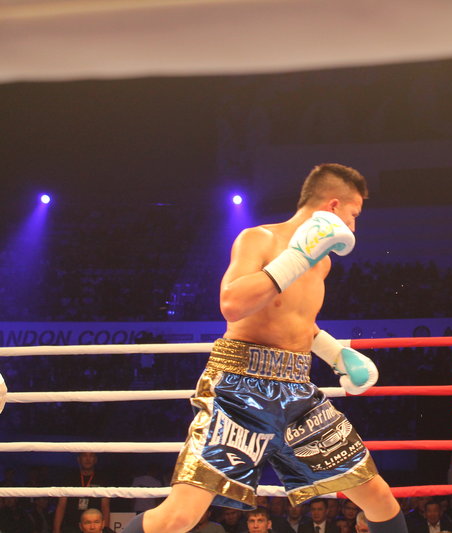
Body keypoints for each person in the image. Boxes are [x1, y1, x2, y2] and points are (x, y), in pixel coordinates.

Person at [124, 163, 406, 533]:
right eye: (353, 215)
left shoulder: (322, 263)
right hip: (239, 388)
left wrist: (337, 355)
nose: (353, 228)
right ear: (334, 206)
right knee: (178, 517)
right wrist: (297, 257)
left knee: (379, 497)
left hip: (298, 392)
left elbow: (298, 322)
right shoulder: (258, 239)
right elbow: (232, 304)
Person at [53, 452, 111, 533]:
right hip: (71, 526)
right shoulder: (69, 478)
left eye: (91, 456)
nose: (88, 459)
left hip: (93, 526)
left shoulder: (102, 479)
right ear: (78, 459)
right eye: (84, 456)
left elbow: (105, 507)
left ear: (95, 459)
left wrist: (105, 530)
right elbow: (61, 505)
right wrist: (56, 530)